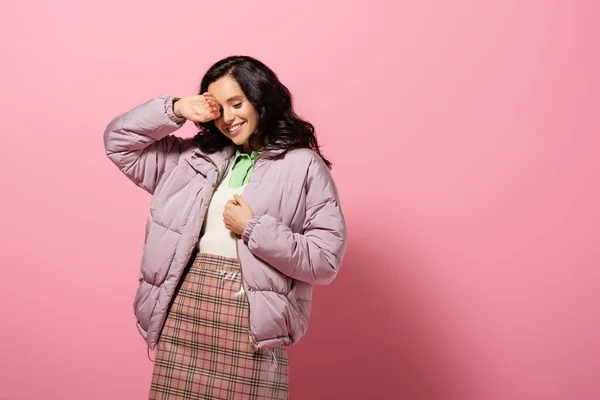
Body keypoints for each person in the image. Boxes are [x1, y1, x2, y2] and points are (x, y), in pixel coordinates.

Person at [103, 55, 348, 399]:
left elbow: (325, 262)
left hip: (251, 323)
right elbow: (118, 142)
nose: (229, 118)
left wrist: (253, 229)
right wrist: (175, 108)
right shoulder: (190, 158)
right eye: (218, 107)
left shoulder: (302, 166)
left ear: (260, 100)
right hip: (184, 311)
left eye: (237, 103)